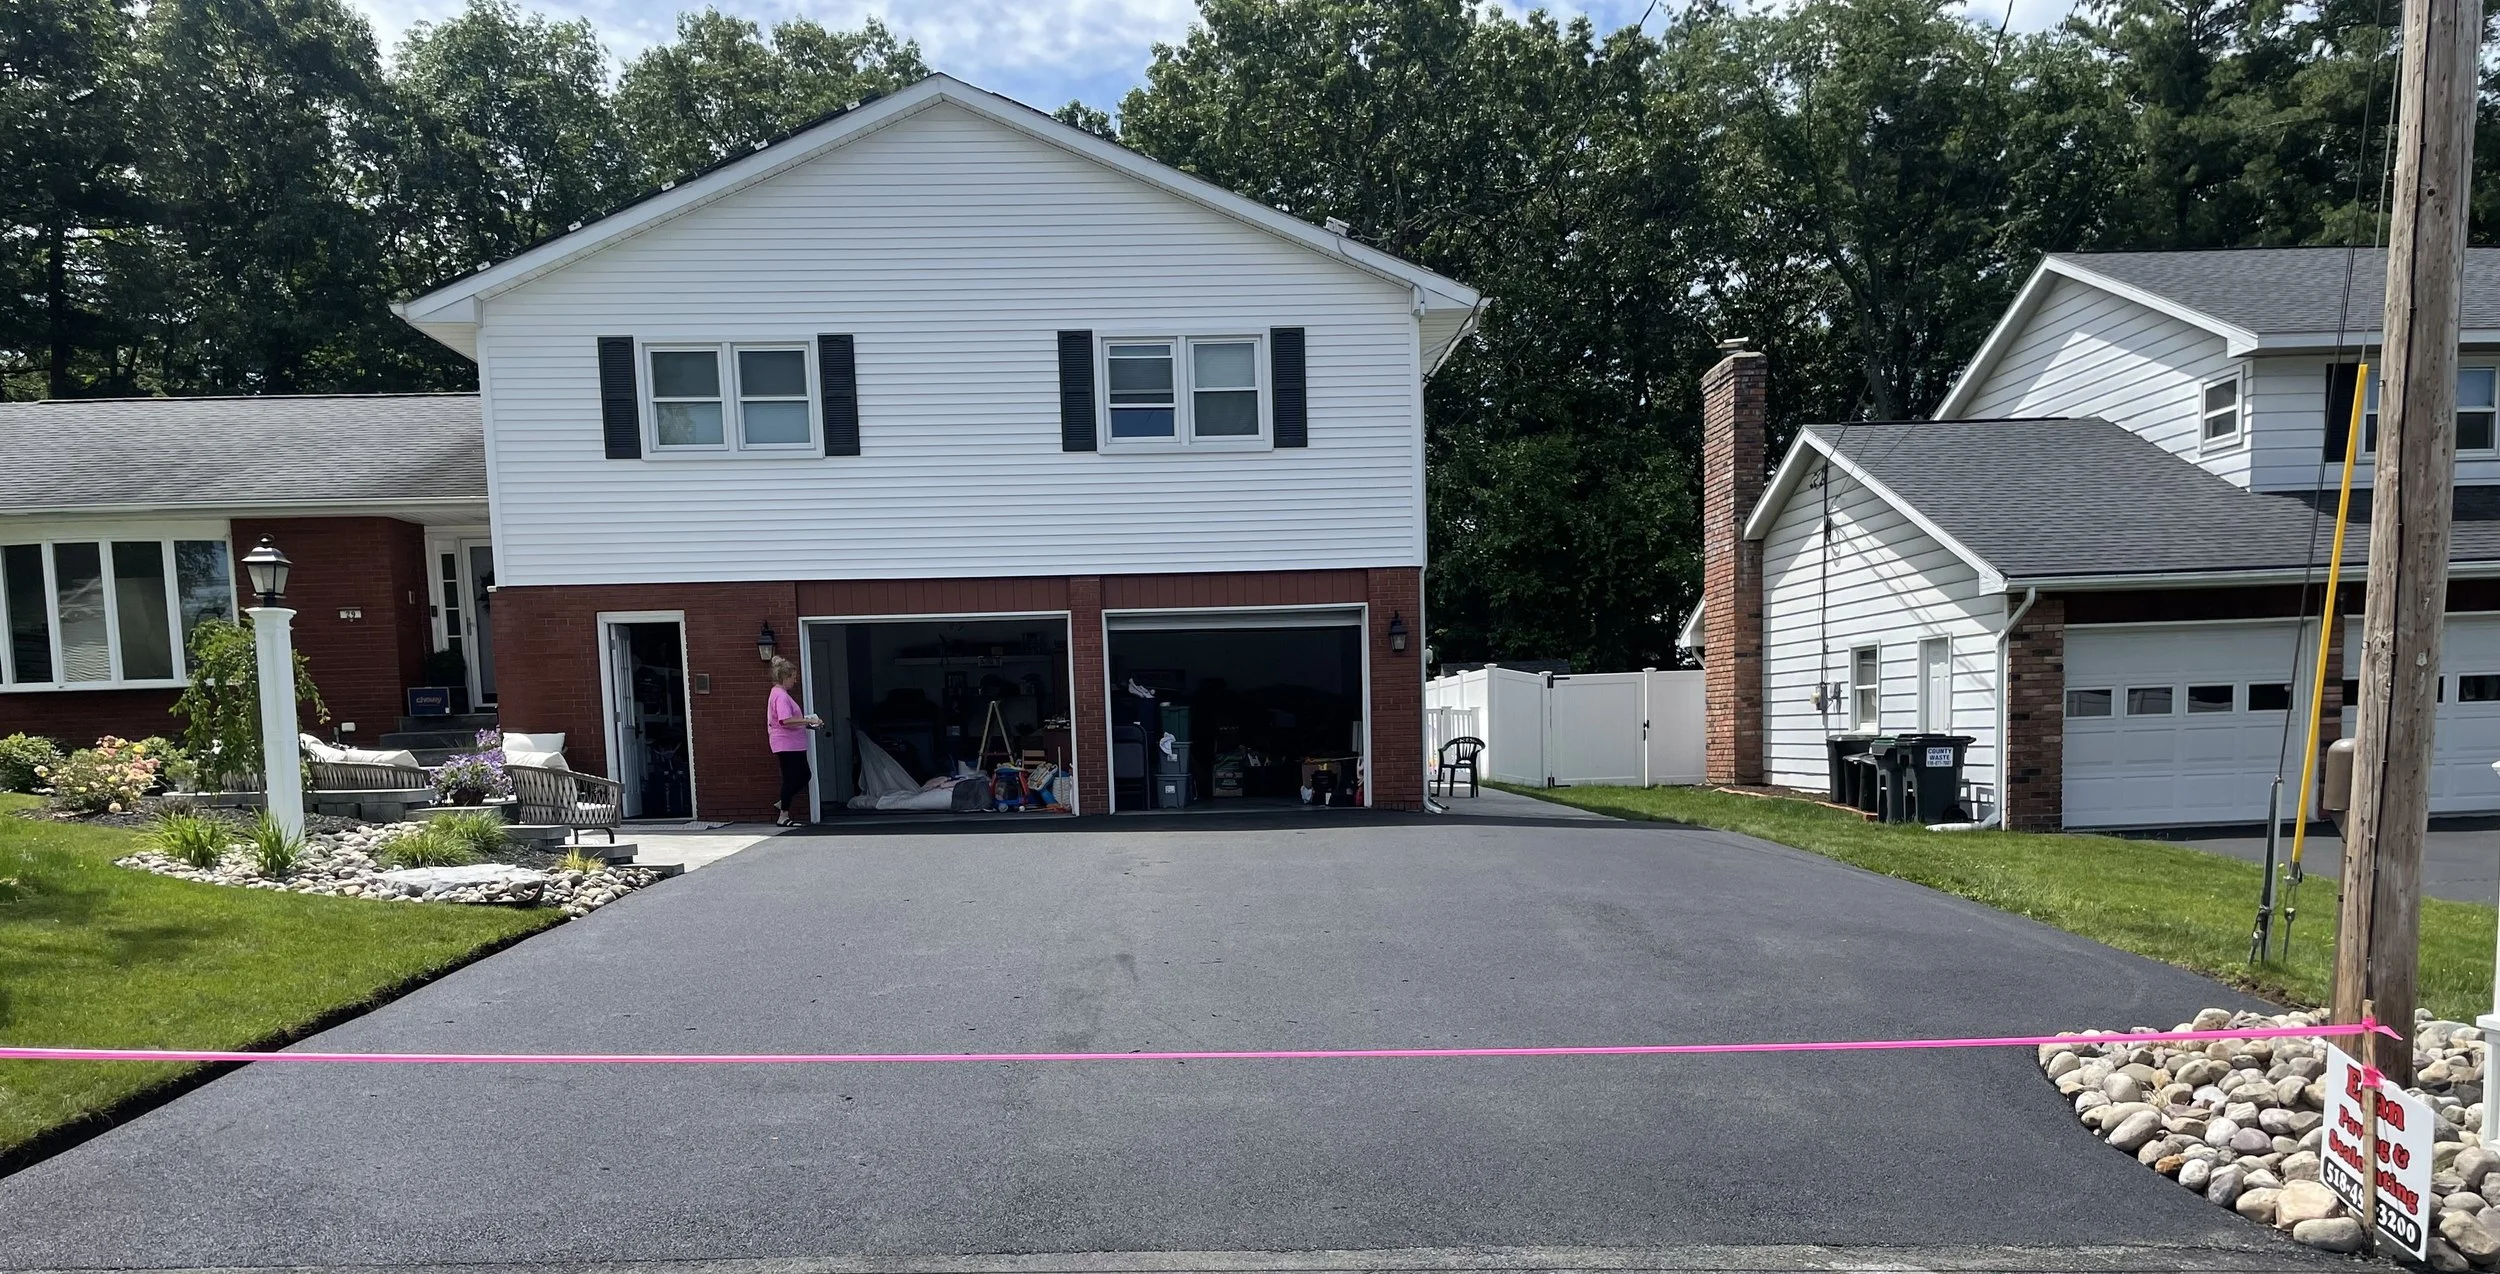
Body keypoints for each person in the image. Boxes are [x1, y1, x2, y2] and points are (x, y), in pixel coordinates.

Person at [765, 657, 820, 826]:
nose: (795, 681)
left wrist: (808, 724)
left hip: (791, 743)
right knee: (795, 777)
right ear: (785, 677)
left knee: (802, 776)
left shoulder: (778, 693)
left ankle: (784, 802)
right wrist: (808, 721)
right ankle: (783, 815)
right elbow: (785, 720)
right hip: (787, 744)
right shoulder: (781, 696)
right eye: (793, 677)